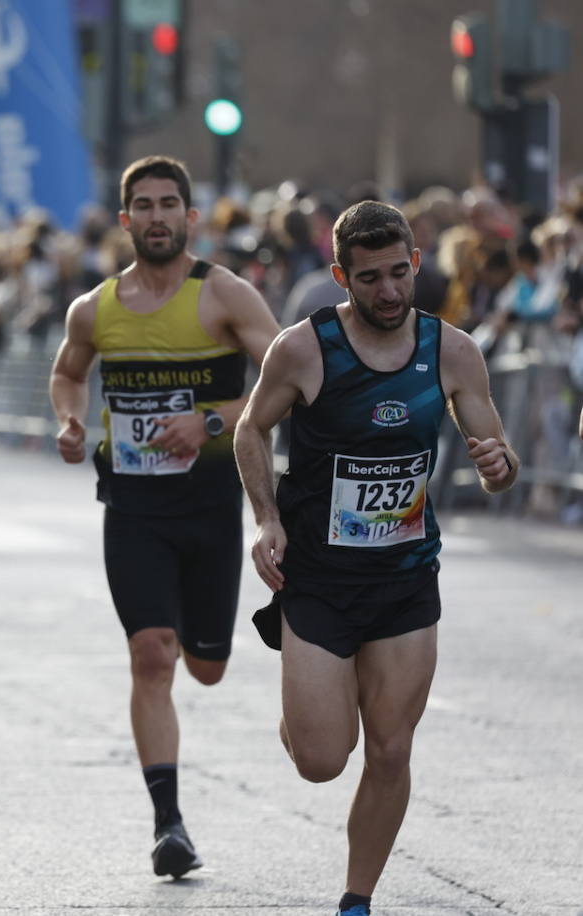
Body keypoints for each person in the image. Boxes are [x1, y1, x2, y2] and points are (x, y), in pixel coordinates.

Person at [233, 201, 518, 916]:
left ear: (417, 263)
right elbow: (250, 429)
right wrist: (266, 518)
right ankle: (305, 719)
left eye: (400, 272)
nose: (390, 291)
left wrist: (497, 462)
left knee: (390, 751)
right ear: (341, 277)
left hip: (405, 578)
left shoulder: (452, 350)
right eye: (371, 278)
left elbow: (499, 461)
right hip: (321, 582)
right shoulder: (303, 349)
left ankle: (357, 900)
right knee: (323, 761)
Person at [49, 155, 280, 878]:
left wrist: (210, 420)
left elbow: (290, 382)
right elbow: (67, 370)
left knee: (205, 669)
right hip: (134, 508)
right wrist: (68, 419)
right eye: (141, 205)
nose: (155, 217)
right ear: (125, 221)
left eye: (167, 204)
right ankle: (168, 824)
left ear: (189, 217)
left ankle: (199, 642)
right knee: (152, 655)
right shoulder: (95, 309)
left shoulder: (225, 296)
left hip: (211, 510)